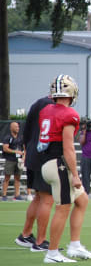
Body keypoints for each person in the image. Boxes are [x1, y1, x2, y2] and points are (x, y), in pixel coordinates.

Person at [38, 74, 91, 263]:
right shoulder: (69, 114)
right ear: (71, 93)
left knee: (82, 200)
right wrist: (76, 174)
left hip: (47, 162)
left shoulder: (46, 110)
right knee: (63, 207)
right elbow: (68, 147)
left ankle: (74, 245)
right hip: (59, 163)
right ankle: (52, 253)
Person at [14, 95, 55, 252]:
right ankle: (40, 241)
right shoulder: (51, 106)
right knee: (47, 198)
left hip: (32, 153)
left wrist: (27, 150)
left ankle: (25, 234)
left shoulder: (37, 103)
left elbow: (26, 130)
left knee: (38, 197)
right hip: (43, 155)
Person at [2, 122, 25, 201]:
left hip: (18, 161)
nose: (17, 128)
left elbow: (24, 148)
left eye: (18, 127)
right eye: (15, 127)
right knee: (7, 178)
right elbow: (5, 148)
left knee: (17, 178)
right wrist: (15, 152)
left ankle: (17, 195)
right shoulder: (8, 137)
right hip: (10, 160)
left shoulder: (20, 137)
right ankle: (4, 195)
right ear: (11, 128)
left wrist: (23, 157)